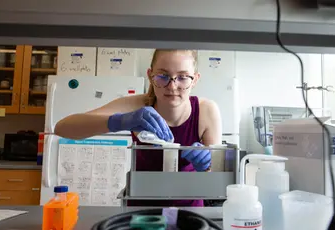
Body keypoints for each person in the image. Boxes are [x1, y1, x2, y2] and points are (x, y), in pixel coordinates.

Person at [54, 49, 223, 207]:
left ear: (196, 79)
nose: (172, 86)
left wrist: (207, 167)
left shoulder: (206, 111)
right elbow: (62, 128)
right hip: (140, 212)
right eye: (163, 76)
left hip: (191, 213)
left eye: (183, 77)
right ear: (150, 76)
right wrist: (118, 121)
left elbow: (218, 184)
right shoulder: (136, 105)